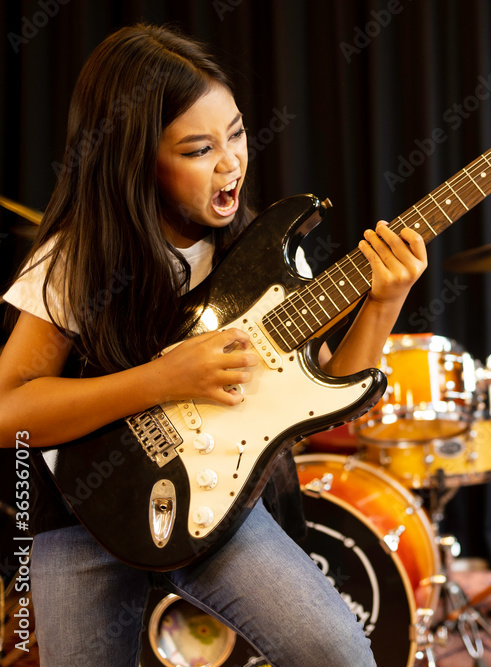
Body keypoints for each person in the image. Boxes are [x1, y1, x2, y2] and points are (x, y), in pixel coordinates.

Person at [0, 23, 427, 665]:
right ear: (133, 160)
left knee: (338, 650)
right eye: (199, 150)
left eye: (235, 133)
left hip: (216, 502)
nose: (231, 162)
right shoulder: (75, 259)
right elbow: (9, 413)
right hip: (81, 513)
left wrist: (384, 301)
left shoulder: (257, 253)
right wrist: (164, 379)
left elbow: (326, 394)